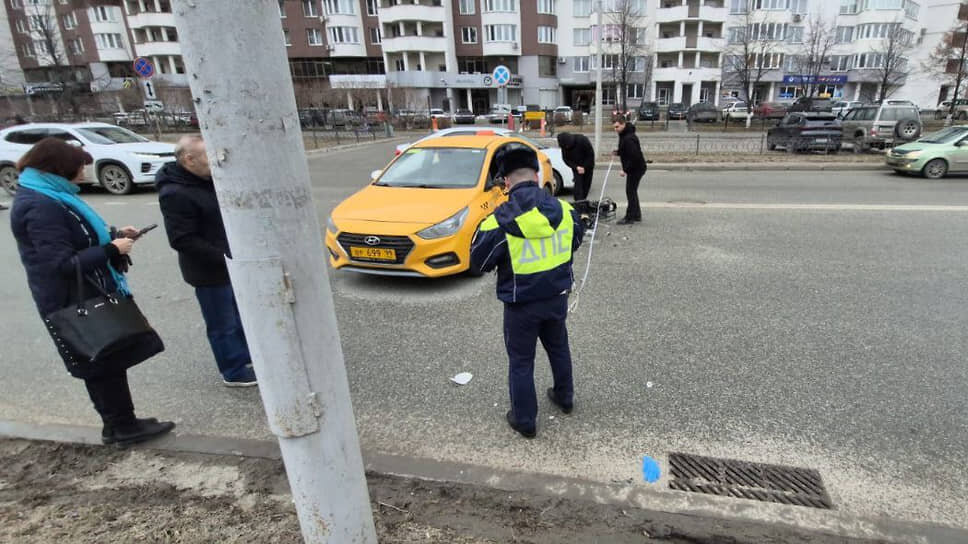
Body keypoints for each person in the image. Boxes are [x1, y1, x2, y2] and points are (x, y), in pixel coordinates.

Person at [9, 138, 174, 446]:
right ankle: (121, 427)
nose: (84, 172)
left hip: (81, 292)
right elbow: (60, 263)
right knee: (99, 362)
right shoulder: (40, 205)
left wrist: (114, 235)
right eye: (80, 166)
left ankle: (122, 422)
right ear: (60, 168)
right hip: (70, 299)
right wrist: (111, 249)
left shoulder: (49, 194)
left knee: (108, 359)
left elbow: (76, 238)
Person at [470, 146, 585, 439]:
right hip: (557, 297)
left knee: (521, 362)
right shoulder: (566, 211)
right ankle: (565, 397)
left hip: (521, 305)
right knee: (558, 347)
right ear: (536, 175)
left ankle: (525, 420)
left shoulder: (499, 221)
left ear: (506, 182)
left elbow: (479, 262)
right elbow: (575, 241)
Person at [156, 135, 257, 387]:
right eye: (208, 157)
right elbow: (181, 239)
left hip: (231, 264)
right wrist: (224, 258)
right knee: (222, 323)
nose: (215, 162)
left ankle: (247, 356)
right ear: (189, 159)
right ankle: (233, 370)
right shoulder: (176, 193)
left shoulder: (207, 181)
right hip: (210, 272)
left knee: (239, 316)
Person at [612, 119, 647, 225]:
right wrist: (618, 152)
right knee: (632, 191)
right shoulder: (624, 134)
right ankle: (636, 215)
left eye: (617, 127)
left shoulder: (629, 138)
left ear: (623, 124)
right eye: (614, 127)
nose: (615, 129)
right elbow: (625, 150)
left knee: (630, 192)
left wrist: (625, 170)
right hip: (635, 167)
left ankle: (630, 217)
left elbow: (634, 157)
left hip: (636, 168)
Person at [556, 132, 596, 201]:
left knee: (586, 186)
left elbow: (590, 155)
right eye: (565, 147)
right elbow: (566, 159)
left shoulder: (582, 140)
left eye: (568, 146)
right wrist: (576, 167)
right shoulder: (564, 146)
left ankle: (583, 201)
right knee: (578, 187)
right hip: (576, 167)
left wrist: (584, 167)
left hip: (588, 166)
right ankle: (578, 203)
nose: (567, 147)